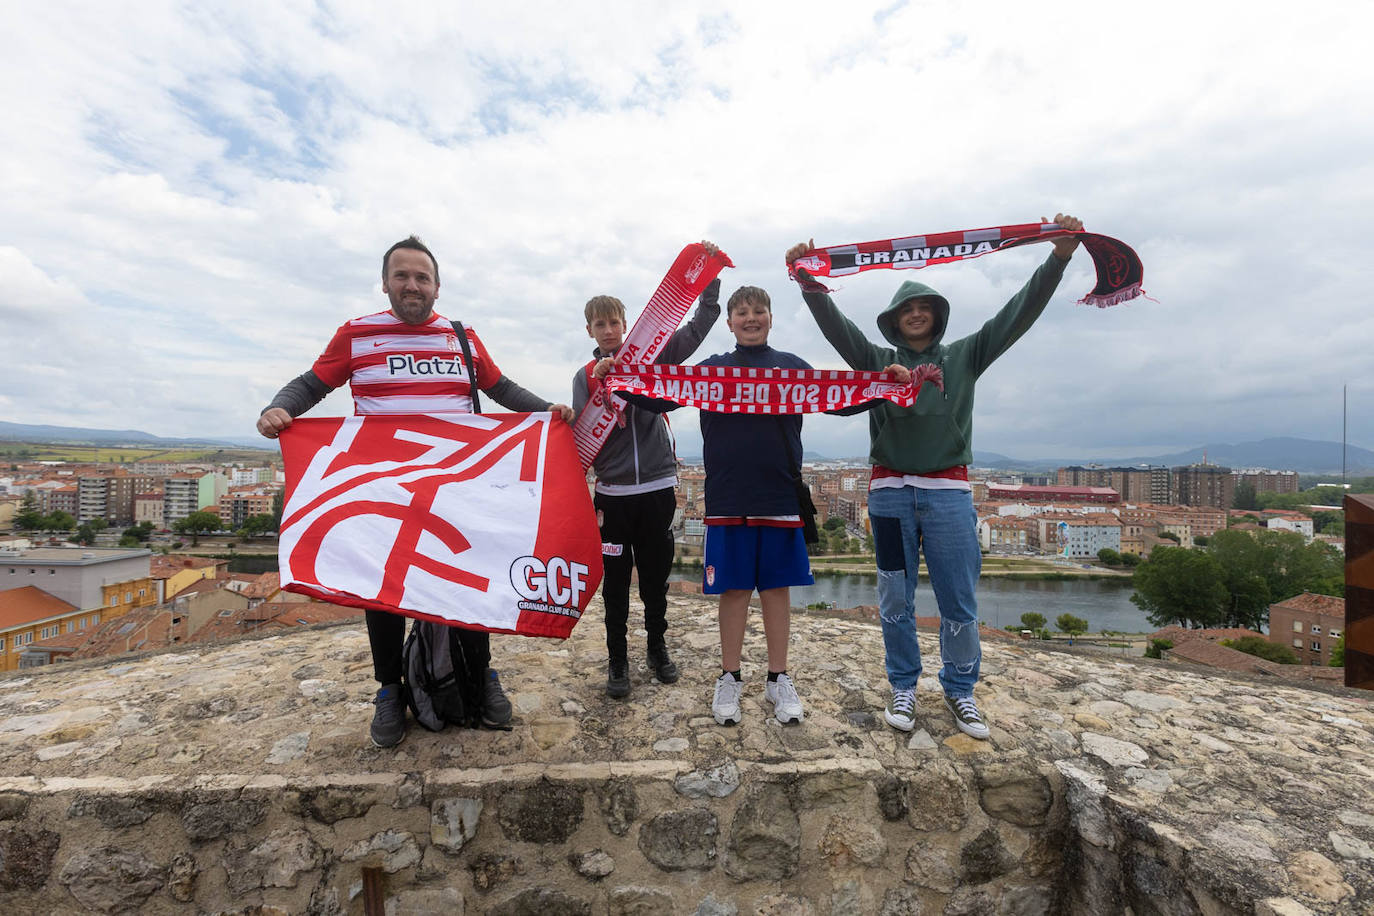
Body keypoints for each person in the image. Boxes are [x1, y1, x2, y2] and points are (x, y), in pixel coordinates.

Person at [257, 235, 574, 748]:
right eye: (401, 276)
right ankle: (388, 689)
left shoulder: (461, 336)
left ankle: (482, 676)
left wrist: (549, 413)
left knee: (469, 579)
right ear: (385, 283)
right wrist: (279, 407)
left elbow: (501, 389)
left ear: (437, 287)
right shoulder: (357, 334)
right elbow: (311, 383)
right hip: (385, 488)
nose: (411, 285)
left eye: (421, 277)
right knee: (384, 591)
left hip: (458, 488)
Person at [785, 214, 1083, 740]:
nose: (917, 314)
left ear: (937, 317)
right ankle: (903, 683)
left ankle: (961, 690)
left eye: (925, 308)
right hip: (890, 497)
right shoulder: (876, 361)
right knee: (895, 597)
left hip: (948, 497)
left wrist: (1058, 258)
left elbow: (1017, 314)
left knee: (959, 601)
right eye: (908, 309)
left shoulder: (967, 354)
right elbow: (839, 330)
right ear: (895, 320)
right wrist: (811, 285)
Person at [613, 284, 814, 726]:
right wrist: (620, 383)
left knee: (777, 592)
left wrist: (887, 386)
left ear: (770, 317)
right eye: (742, 312)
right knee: (735, 591)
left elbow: (840, 398)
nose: (751, 318)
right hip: (728, 499)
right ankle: (731, 676)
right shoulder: (713, 370)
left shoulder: (793, 368)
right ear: (730, 322)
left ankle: (778, 678)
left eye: (759, 310)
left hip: (779, 496)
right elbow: (664, 396)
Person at [573, 247, 721, 698]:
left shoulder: (651, 355)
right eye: (600, 324)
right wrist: (602, 385)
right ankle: (617, 659)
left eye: (615, 321)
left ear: (626, 323)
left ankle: (657, 648)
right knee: (615, 583)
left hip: (657, 488)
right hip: (614, 496)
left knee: (655, 579)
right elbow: (582, 432)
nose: (610, 330)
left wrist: (709, 285)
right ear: (590, 331)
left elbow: (696, 330)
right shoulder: (584, 376)